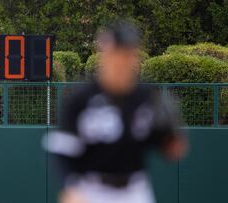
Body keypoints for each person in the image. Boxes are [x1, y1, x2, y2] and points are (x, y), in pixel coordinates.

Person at [43, 20, 187, 203]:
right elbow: (62, 151)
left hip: (135, 191)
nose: (122, 60)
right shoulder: (81, 99)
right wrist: (72, 187)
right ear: (106, 54)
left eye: (128, 54)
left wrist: (172, 140)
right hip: (92, 191)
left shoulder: (146, 97)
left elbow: (170, 147)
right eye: (117, 53)